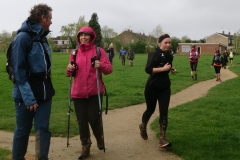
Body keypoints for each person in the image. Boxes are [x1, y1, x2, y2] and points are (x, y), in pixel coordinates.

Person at [11, 4, 55, 160]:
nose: (51, 21)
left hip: (44, 92)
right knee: (23, 129)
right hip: (25, 94)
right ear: (43, 18)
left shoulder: (43, 38)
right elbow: (18, 71)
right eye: (50, 18)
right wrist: (29, 98)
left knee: (43, 129)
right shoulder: (23, 38)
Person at [66, 26, 113, 159]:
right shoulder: (75, 53)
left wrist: (101, 65)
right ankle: (85, 145)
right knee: (81, 121)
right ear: (78, 37)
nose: (84, 37)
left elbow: (109, 69)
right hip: (78, 92)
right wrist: (69, 68)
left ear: (92, 37)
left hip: (95, 92)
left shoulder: (99, 51)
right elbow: (70, 72)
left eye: (86, 35)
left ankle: (99, 137)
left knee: (93, 118)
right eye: (81, 35)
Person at [139, 34, 177, 149]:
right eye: (166, 42)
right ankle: (143, 126)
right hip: (152, 86)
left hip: (165, 87)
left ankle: (162, 139)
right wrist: (163, 69)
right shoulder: (154, 53)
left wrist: (171, 69)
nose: (168, 45)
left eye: (169, 43)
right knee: (150, 110)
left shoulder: (169, 54)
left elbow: (167, 65)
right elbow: (148, 69)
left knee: (164, 112)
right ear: (159, 43)